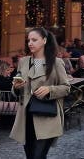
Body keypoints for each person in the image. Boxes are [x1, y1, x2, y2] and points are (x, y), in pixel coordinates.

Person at [11, 27, 70, 159]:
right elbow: (17, 89)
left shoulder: (56, 63)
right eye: (28, 40)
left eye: (34, 40)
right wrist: (16, 87)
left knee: (38, 156)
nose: (30, 43)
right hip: (26, 117)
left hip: (46, 116)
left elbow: (66, 88)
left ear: (44, 40)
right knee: (31, 156)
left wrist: (50, 90)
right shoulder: (23, 62)